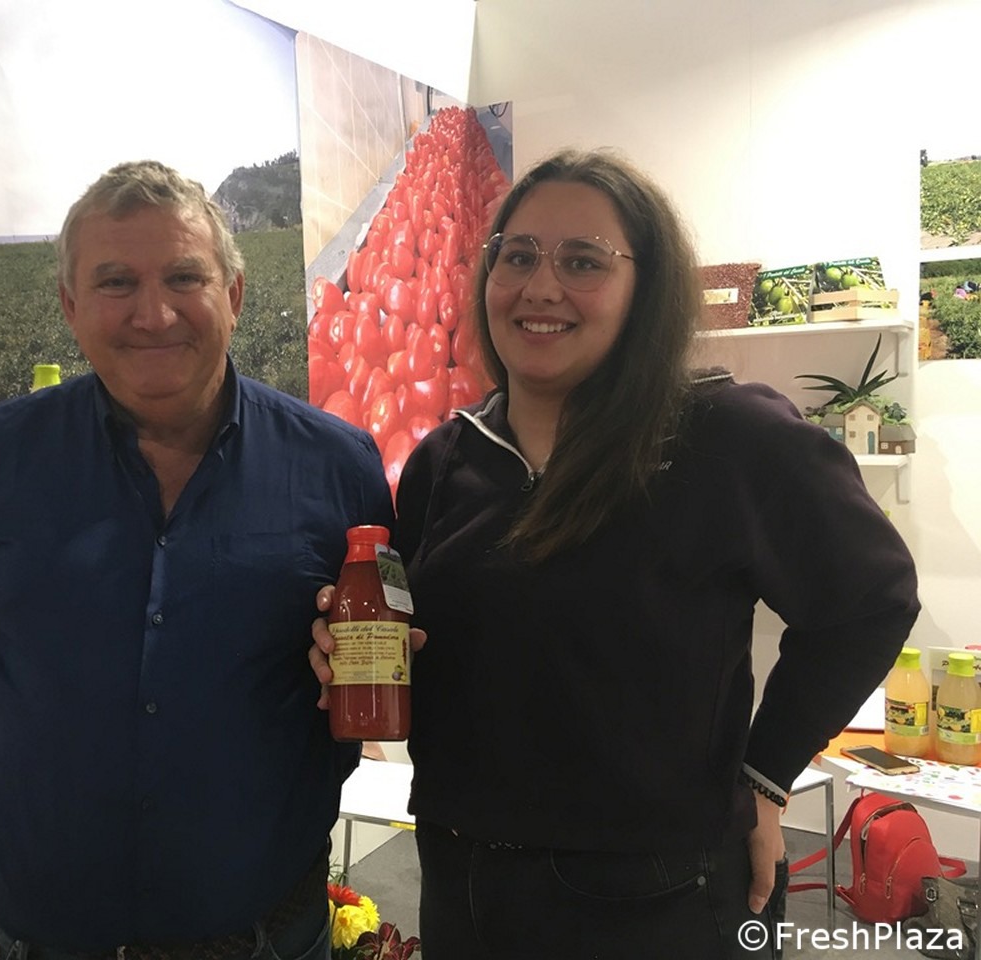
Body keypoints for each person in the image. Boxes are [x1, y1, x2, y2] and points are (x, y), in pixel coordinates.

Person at [310, 148, 919, 958]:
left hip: (658, 897)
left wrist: (766, 775)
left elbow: (870, 602)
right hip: (463, 884)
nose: (540, 286)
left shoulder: (726, 438)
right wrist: (355, 651)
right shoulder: (446, 461)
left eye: (583, 261)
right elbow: (442, 648)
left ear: (646, 288)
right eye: (517, 256)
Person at [0, 159, 393, 960]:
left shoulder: (338, 465)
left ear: (233, 294)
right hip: (34, 940)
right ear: (71, 305)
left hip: (265, 937)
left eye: (184, 278)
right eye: (116, 282)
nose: (154, 314)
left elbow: (360, 671)